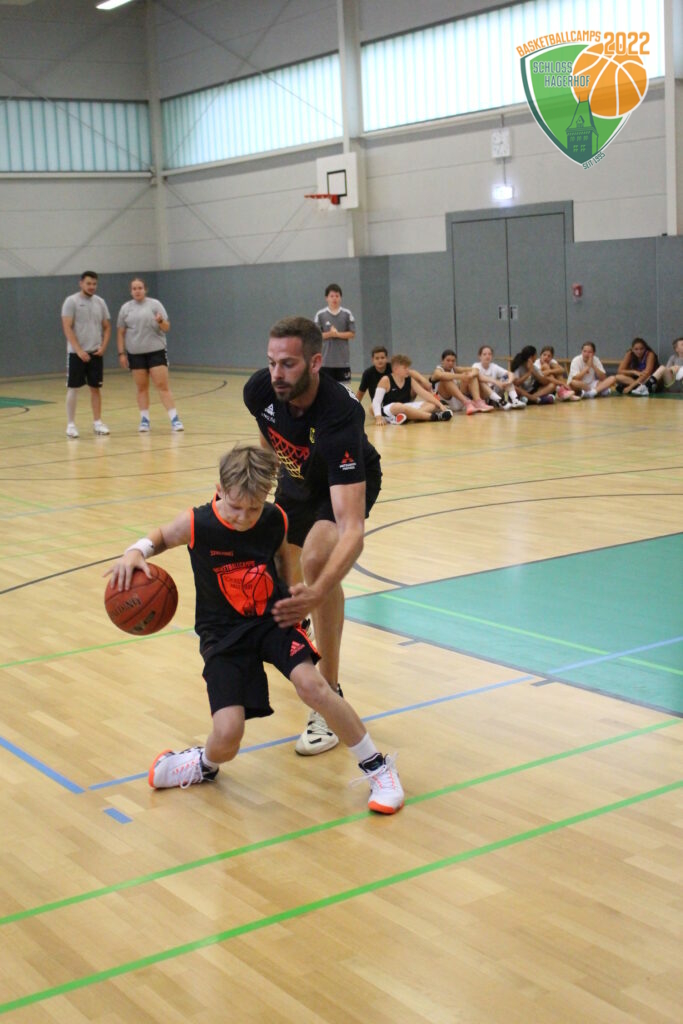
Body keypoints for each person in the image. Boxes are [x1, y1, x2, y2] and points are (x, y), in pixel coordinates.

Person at [105, 444, 403, 813]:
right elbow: (163, 537)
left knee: (314, 687)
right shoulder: (197, 523)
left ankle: (379, 769)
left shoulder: (274, 518)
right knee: (228, 733)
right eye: (235, 507)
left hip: (271, 620)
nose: (244, 517)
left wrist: (293, 596)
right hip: (222, 633)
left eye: (254, 508)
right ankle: (204, 764)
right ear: (219, 489)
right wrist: (135, 551)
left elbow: (282, 560)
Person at [243, 316, 382, 756]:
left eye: (288, 364)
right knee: (275, 560)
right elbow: (269, 436)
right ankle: (303, 620)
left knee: (318, 562)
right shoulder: (260, 391)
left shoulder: (340, 414)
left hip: (341, 484)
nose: (276, 374)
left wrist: (319, 590)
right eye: (271, 363)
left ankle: (329, 694)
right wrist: (260, 487)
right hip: (297, 478)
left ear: (316, 362)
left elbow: (352, 529)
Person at [116, 277, 184, 432]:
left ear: (145, 289)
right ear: (131, 291)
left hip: (156, 352)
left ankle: (175, 419)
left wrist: (160, 321)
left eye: (140, 288)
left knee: (162, 386)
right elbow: (120, 332)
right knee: (141, 387)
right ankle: (144, 420)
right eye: (134, 288)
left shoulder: (155, 305)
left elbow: (166, 327)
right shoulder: (125, 308)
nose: (137, 291)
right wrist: (121, 353)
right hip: (135, 354)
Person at [61, 270, 111, 437]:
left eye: (94, 284)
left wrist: (103, 347)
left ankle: (97, 423)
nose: (92, 287)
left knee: (95, 388)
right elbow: (67, 327)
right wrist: (79, 350)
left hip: (95, 353)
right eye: (88, 283)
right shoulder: (71, 301)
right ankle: (70, 425)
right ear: (81, 283)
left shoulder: (100, 302)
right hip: (76, 354)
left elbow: (107, 327)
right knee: (73, 388)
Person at [372, 353, 453, 425]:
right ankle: (434, 417)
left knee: (432, 404)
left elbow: (424, 394)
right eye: (405, 368)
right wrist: (378, 417)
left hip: (406, 407)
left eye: (408, 367)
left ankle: (406, 418)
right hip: (391, 408)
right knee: (399, 406)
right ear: (396, 369)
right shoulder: (385, 380)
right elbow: (376, 401)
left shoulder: (409, 379)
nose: (408, 370)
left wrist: (440, 405)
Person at [313, 283, 356, 384]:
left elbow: (352, 334)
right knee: (325, 388)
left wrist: (337, 334)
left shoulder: (347, 314)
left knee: (344, 389)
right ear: (326, 298)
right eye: (331, 296)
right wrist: (330, 334)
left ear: (340, 298)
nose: (334, 299)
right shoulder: (320, 314)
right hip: (325, 362)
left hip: (343, 361)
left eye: (337, 296)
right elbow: (316, 336)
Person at [431, 349, 493, 414]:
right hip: (444, 403)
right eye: (448, 360)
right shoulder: (437, 370)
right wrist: (461, 376)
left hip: (458, 402)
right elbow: (441, 375)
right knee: (446, 379)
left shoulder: (454, 369)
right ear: (442, 360)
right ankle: (467, 402)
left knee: (471, 375)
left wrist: (470, 375)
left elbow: (476, 369)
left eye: (453, 361)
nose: (450, 363)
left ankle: (478, 402)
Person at [471, 345, 524, 409]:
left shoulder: (494, 366)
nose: (487, 356)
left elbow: (510, 374)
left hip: (494, 391)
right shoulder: (476, 366)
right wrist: (496, 382)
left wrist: (509, 382)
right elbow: (479, 377)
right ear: (480, 356)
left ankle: (515, 400)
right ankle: (500, 401)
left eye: (489, 354)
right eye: (484, 354)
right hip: (482, 394)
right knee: (482, 382)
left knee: (506, 377)